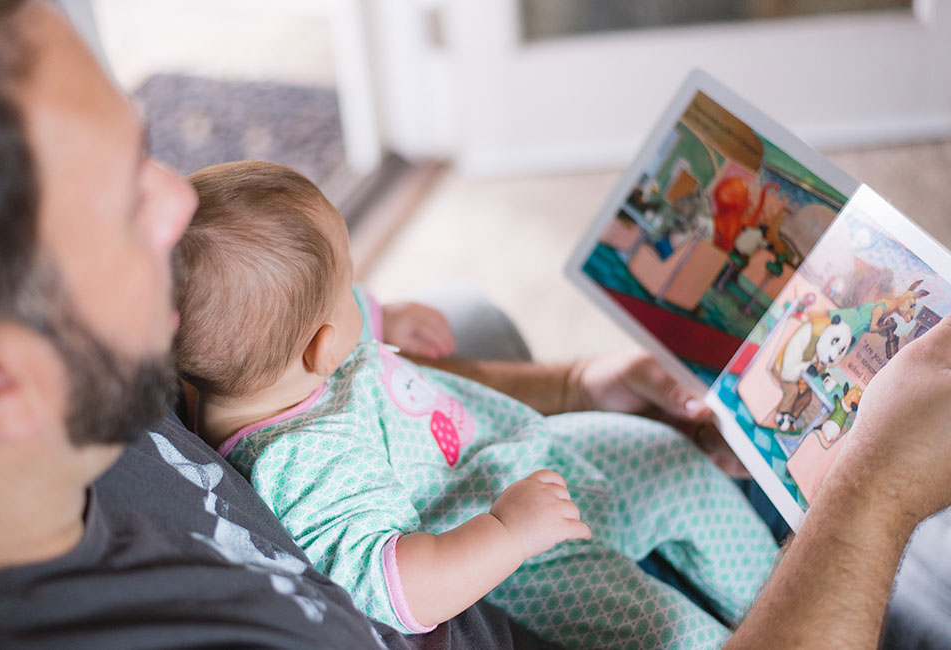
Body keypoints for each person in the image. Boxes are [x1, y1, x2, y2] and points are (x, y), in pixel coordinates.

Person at [0, 2, 950, 648]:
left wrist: (569, 382)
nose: (177, 202)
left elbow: (351, 379)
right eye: (124, 202)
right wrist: (874, 494)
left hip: (534, 470)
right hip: (566, 581)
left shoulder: (120, 352)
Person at [174, 160, 779, 648]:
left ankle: (781, 600)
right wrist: (507, 532)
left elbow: (302, 314)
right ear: (323, 347)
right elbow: (395, 587)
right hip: (526, 561)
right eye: (349, 289)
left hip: (520, 453)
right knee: (674, 635)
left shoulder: (251, 369)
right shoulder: (305, 461)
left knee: (670, 458)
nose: (360, 295)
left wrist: (381, 315)